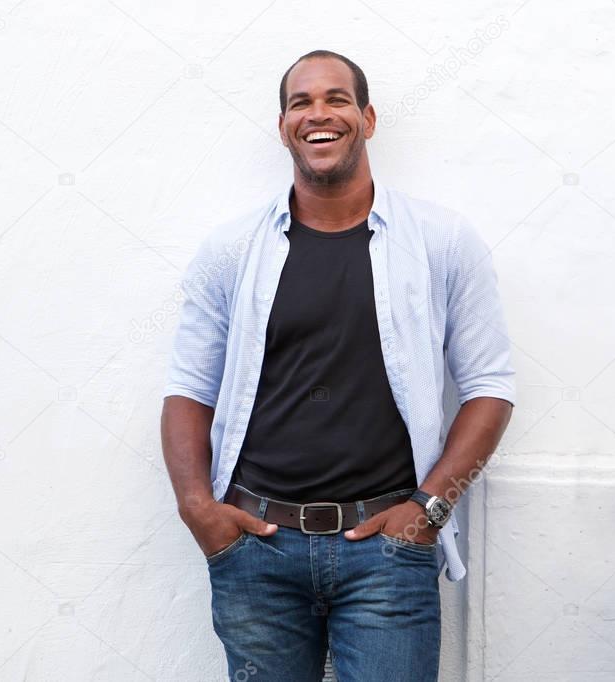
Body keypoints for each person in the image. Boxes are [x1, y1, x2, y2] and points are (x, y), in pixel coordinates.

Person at [159, 50, 515, 681]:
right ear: (283, 125)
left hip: (387, 553)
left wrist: (429, 510)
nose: (317, 114)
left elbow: (489, 387)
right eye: (301, 102)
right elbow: (189, 388)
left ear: (368, 118)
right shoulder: (232, 250)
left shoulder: (442, 241)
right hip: (256, 552)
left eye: (336, 99)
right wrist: (200, 511)